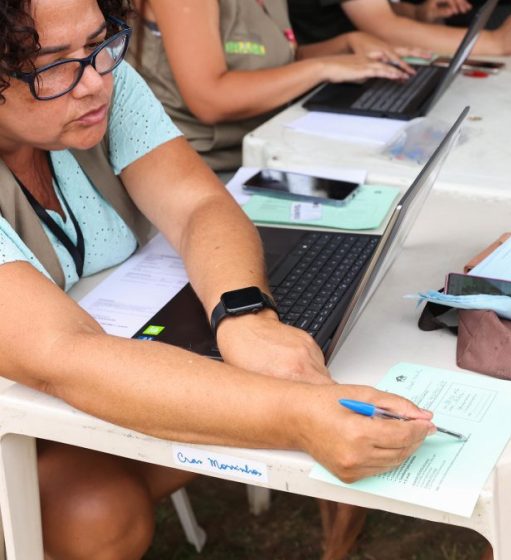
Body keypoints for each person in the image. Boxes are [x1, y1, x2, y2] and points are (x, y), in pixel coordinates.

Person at [0, 1, 436, 558]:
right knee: (95, 512)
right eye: (51, 63)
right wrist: (294, 418)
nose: (94, 83)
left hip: (66, 393)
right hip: (41, 400)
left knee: (292, 363)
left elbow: (200, 204)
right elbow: (60, 354)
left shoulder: (101, 80)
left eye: (98, 43)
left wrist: (244, 315)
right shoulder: (93, 88)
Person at [132, 0, 427, 173]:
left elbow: (274, 63)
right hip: (207, 168)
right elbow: (211, 100)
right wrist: (321, 68)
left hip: (270, 147)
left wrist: (345, 46)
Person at [288, 0, 511, 57]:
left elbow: (374, 9)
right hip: (318, 87)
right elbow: (383, 27)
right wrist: (494, 41)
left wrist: (418, 13)